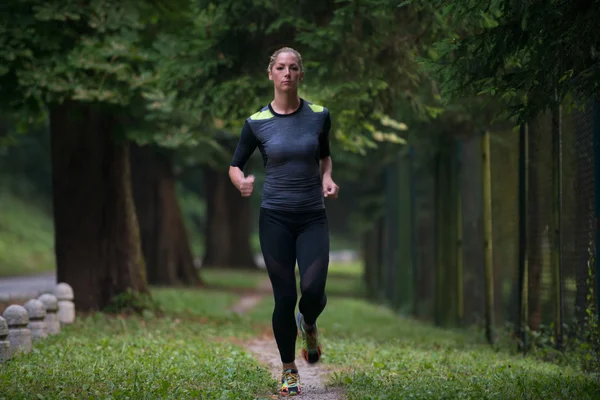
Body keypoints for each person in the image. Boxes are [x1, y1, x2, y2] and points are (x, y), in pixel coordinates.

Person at [228, 46, 339, 397]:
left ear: (301, 74)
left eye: (293, 68)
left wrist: (327, 178)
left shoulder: (319, 116)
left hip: (311, 217)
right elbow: (235, 164)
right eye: (281, 67)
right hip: (274, 217)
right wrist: (241, 181)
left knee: (313, 291)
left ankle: (308, 323)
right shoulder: (256, 122)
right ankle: (289, 371)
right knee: (284, 295)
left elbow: (324, 155)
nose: (287, 73)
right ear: (271, 74)